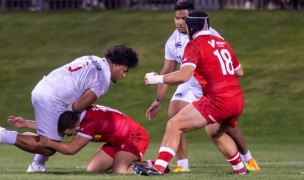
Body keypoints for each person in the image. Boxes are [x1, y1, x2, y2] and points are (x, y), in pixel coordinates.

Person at [145, 0, 259, 172]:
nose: (181, 23)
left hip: (216, 98)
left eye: (185, 20)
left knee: (174, 124)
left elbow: (184, 75)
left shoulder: (194, 44)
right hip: (236, 98)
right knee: (215, 132)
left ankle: (159, 168)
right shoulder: (222, 42)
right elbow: (240, 71)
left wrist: (156, 79)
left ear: (191, 25)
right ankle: (241, 170)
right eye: (177, 18)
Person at [0, 44, 138, 172]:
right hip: (53, 98)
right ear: (114, 65)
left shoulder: (93, 58)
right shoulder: (103, 78)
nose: (123, 75)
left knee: (55, 134)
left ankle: (37, 166)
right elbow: (78, 106)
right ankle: (3, 135)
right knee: (49, 148)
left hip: (44, 86)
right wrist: (76, 118)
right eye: (124, 70)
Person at [7, 104, 149, 174]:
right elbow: (56, 127)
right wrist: (26, 123)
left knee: (119, 172)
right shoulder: (73, 116)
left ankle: (155, 165)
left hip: (134, 137)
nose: (70, 135)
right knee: (92, 169)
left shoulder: (89, 123)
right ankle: (128, 159)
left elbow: (72, 149)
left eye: (71, 133)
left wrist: (49, 143)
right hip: (116, 140)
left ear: (77, 126)